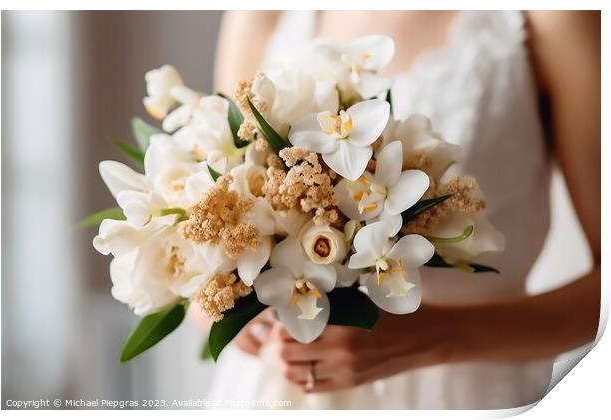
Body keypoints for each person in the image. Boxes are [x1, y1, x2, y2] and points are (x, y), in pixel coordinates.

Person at [199, 10, 600, 409]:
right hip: (271, 388)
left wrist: (431, 336)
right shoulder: (262, 13)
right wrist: (228, 314)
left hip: (461, 393)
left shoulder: (553, 16)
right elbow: (221, 208)